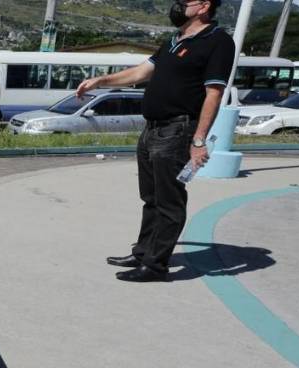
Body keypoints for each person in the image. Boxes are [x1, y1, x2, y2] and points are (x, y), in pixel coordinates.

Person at [77, 0, 234, 282]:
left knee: (169, 201)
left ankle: (156, 265)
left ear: (204, 6)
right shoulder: (175, 39)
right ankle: (143, 252)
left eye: (185, 1)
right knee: (150, 197)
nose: (178, 6)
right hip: (152, 130)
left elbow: (214, 93)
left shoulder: (218, 41)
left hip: (178, 129)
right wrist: (101, 81)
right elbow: (141, 72)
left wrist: (199, 140)